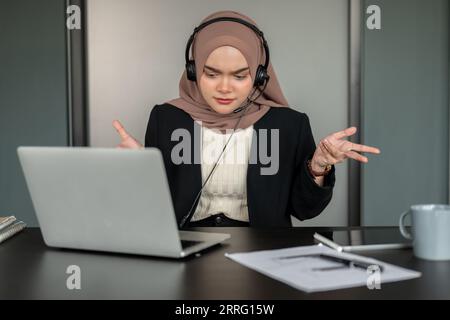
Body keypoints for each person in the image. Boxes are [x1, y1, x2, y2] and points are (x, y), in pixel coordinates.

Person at [112, 10, 381, 228]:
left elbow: (305, 210)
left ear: (259, 75)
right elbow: (152, 209)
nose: (225, 87)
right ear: (193, 71)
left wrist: (318, 167)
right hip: (185, 250)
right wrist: (140, 171)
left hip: (264, 253)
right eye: (212, 74)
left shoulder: (288, 124)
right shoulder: (167, 119)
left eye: (240, 76)